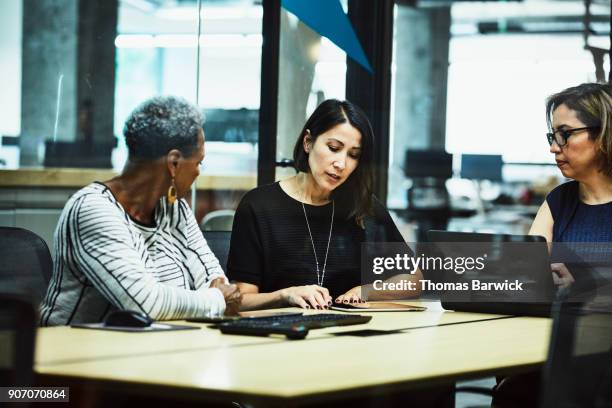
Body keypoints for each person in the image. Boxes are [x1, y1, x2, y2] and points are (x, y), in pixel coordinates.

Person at [40, 96, 241, 326]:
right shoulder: (93, 209)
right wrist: (215, 300)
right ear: (174, 163)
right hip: (72, 354)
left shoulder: (175, 210)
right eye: (198, 163)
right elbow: (145, 304)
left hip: (151, 350)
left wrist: (213, 297)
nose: (198, 172)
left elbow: (218, 284)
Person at [226, 99, 422, 311]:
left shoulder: (364, 207)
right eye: (333, 148)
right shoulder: (258, 206)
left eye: (353, 155)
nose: (341, 164)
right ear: (308, 142)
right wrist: (286, 295)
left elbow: (415, 278)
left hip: (351, 333)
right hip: (284, 334)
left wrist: (365, 291)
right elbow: (240, 299)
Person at [494, 83, 612, 408]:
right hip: (561, 349)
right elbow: (521, 277)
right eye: (552, 136)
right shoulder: (559, 201)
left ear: (603, 134)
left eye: (565, 134)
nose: (554, 148)